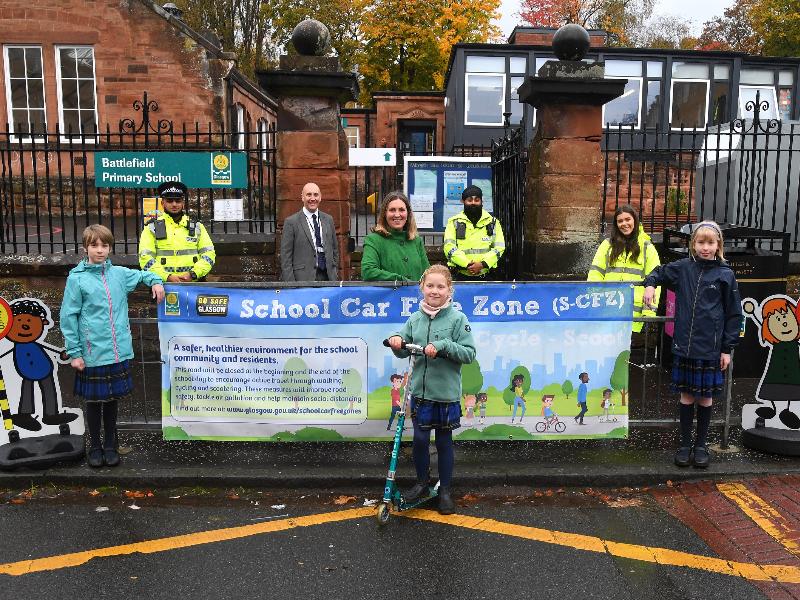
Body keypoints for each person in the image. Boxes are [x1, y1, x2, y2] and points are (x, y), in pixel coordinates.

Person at [61, 225, 165, 468]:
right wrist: (75, 352)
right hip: (92, 353)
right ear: (85, 247)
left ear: (110, 247)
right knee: (94, 404)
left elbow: (142, 275)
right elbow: (68, 317)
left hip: (117, 351)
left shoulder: (119, 274)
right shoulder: (77, 279)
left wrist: (156, 281)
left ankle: (111, 445)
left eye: (104, 245)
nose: (100, 250)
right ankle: (94, 446)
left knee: (111, 403)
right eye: (95, 245)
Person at [643, 221, 742, 469]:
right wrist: (650, 285)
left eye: (710, 243)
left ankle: (701, 445)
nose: (705, 247)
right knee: (687, 397)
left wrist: (726, 349)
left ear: (718, 245)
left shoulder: (725, 274)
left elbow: (734, 315)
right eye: (700, 242)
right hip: (685, 347)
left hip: (710, 349)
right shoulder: (683, 268)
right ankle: (685, 444)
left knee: (705, 398)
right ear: (693, 244)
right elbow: (657, 271)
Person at [387, 264, 476, 514]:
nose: (434, 291)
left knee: (444, 441)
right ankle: (422, 484)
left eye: (440, 286)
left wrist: (444, 345)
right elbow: (403, 344)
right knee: (419, 440)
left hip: (445, 394)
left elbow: (469, 354)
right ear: (421, 288)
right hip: (420, 393)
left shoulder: (458, 320)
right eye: (430, 286)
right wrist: (396, 342)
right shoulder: (415, 319)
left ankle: (445, 489)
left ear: (450, 291)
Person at [588, 204, 660, 334]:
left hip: (634, 317)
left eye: (628, 219)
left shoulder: (647, 248)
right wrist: (595, 306)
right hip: (607, 312)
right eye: (620, 221)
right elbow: (595, 276)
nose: (624, 224)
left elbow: (655, 282)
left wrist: (648, 314)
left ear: (635, 221)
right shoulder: (607, 245)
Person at [138, 180, 216, 282]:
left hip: (194, 285)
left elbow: (209, 254)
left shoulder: (197, 226)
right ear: (162, 203)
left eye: (178, 200)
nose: (174, 204)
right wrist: (167, 276)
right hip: (162, 286)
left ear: (183, 203)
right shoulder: (151, 228)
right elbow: (145, 258)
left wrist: (193, 274)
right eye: (170, 200)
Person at [361, 191, 429, 281]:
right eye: (392, 210)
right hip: (389, 295)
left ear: (408, 213)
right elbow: (368, 272)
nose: (397, 215)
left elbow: (428, 273)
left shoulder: (416, 240)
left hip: (416, 294)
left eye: (401, 210)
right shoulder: (373, 240)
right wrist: (401, 280)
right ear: (384, 214)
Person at [443, 185, 505, 281]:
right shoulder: (453, 222)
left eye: (477, 200)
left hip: (486, 276)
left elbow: (499, 248)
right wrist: (467, 264)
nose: (473, 203)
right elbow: (449, 248)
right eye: (469, 200)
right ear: (463, 201)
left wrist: (482, 264)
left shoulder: (493, 223)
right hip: (460, 276)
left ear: (481, 202)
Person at [281, 182, 339, 281]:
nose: (313, 199)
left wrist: (334, 270)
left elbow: (334, 249)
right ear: (302, 197)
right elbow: (286, 257)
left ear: (320, 197)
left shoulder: (328, 219)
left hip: (328, 278)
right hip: (303, 280)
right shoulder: (291, 222)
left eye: (316, 195)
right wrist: (291, 285)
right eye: (309, 195)